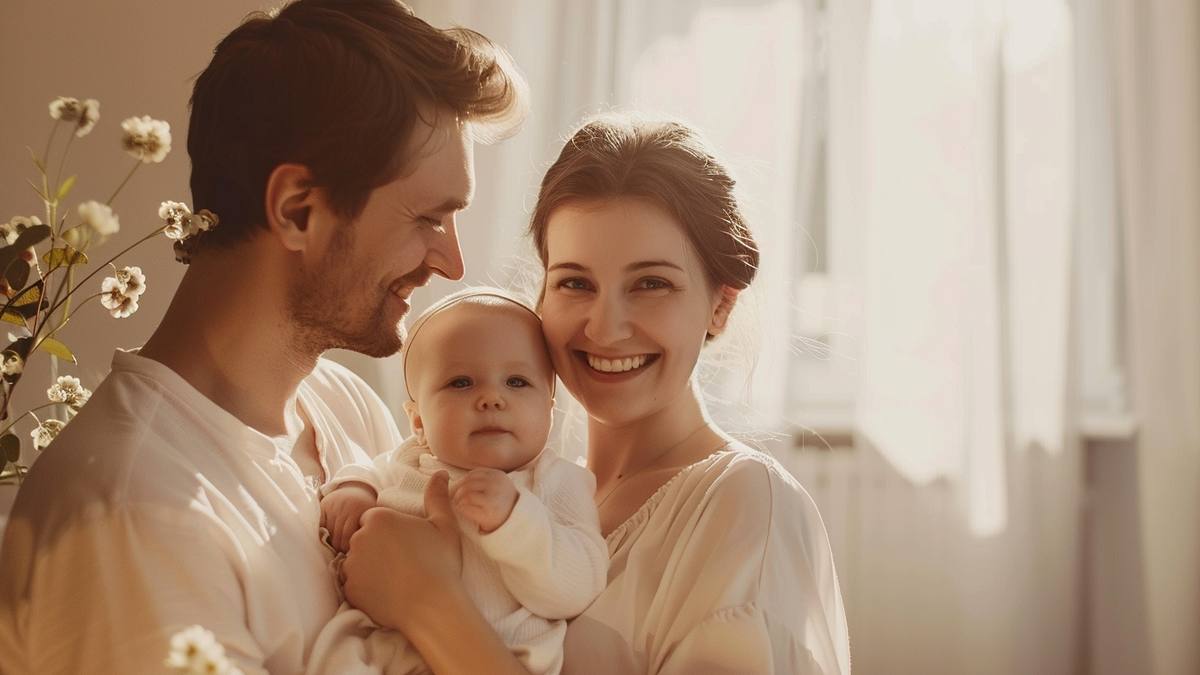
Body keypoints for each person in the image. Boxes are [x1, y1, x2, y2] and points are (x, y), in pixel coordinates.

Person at [0, 1, 527, 673]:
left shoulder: (348, 410)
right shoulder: (136, 518)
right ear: (297, 210)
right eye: (428, 217)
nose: (451, 263)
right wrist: (433, 607)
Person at [341, 114, 852, 673]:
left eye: (651, 283)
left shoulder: (746, 505)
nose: (605, 330)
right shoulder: (537, 486)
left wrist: (429, 606)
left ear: (719, 304)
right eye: (575, 283)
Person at [308, 288, 606, 675]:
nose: (491, 398)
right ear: (417, 421)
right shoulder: (408, 460)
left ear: (549, 410)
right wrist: (353, 489)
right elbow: (371, 469)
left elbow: (578, 588)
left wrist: (516, 522)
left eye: (516, 382)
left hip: (494, 654)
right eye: (461, 383)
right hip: (378, 652)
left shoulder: (556, 481)